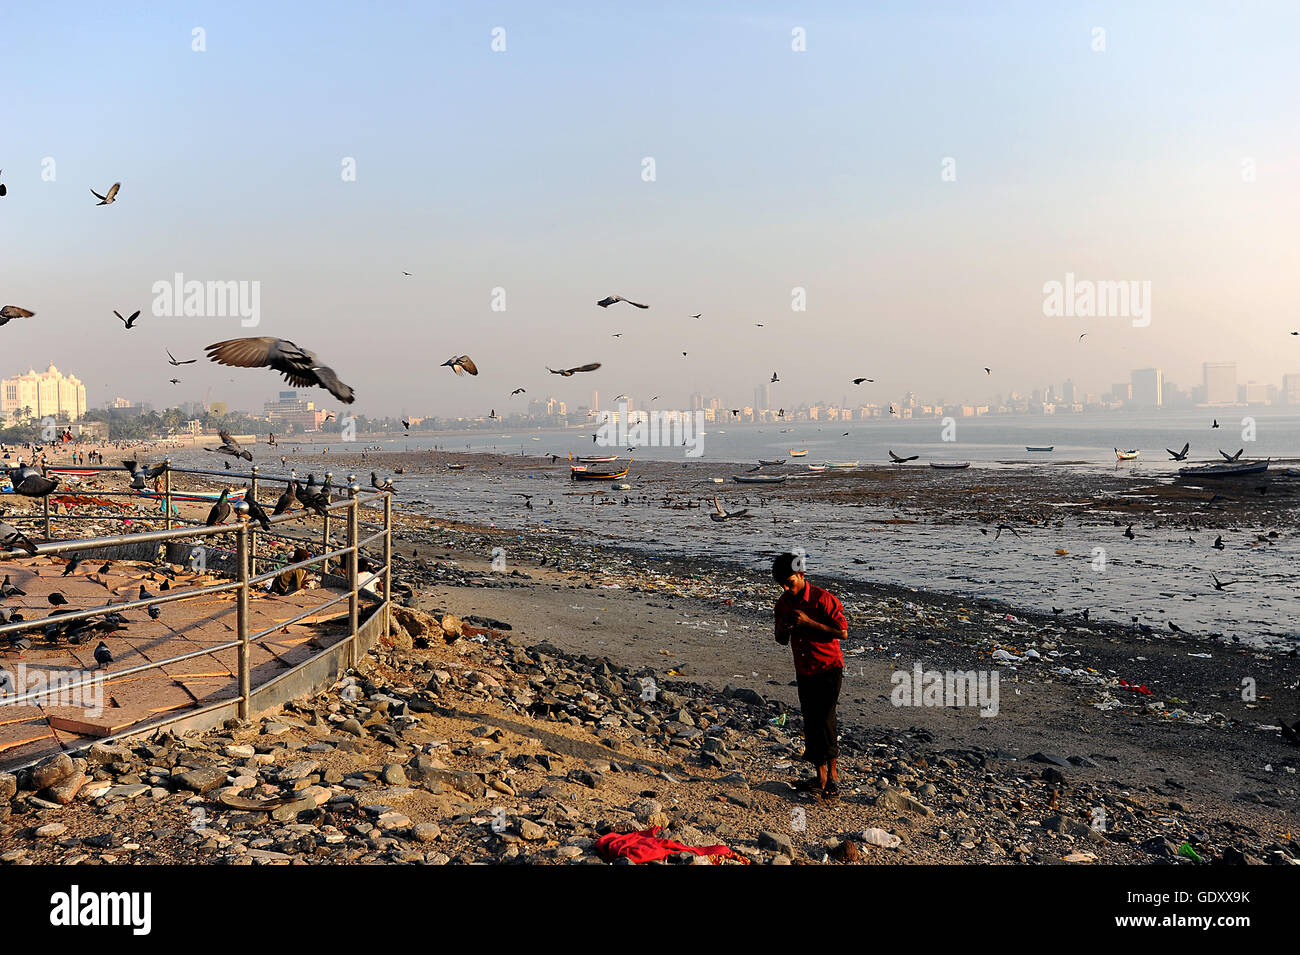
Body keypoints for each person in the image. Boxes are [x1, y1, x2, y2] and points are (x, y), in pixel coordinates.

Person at [772, 552, 847, 798]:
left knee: (826, 719)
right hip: (804, 669)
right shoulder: (783, 604)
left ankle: (833, 776)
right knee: (811, 721)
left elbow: (842, 632)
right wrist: (784, 628)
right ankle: (821, 776)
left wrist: (807, 623)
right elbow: (781, 640)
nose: (785, 588)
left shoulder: (823, 599)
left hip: (829, 667)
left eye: (789, 582)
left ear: (801, 575)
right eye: (782, 584)